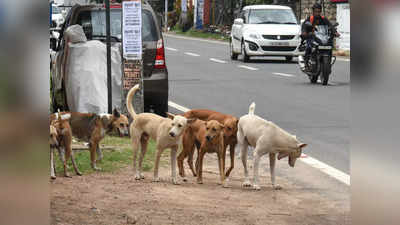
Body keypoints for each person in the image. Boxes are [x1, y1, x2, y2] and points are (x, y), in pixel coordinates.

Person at [299, 3, 340, 71]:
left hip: (322, 37)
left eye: (319, 11)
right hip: (312, 37)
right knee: (309, 47)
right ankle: (306, 63)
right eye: (316, 11)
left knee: (329, 45)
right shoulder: (310, 19)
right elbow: (304, 25)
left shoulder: (324, 19)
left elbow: (330, 25)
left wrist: (335, 32)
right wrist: (304, 32)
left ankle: (328, 64)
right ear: (313, 11)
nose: (317, 13)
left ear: (321, 11)